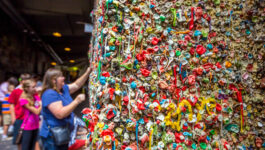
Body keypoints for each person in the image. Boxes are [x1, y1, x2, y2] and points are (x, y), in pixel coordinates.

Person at [40, 67, 92, 150]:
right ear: (54, 80)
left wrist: (88, 72)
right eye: (61, 76)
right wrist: (76, 101)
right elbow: (60, 114)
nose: (63, 78)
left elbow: (76, 85)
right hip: (53, 136)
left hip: (64, 132)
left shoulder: (63, 89)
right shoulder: (49, 94)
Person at [8, 73, 31, 150]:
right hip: (19, 119)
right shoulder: (16, 91)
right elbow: (11, 104)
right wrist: (13, 117)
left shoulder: (31, 91)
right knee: (19, 140)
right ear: (22, 81)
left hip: (30, 119)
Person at [19, 79, 41, 150]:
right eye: (33, 87)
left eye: (35, 86)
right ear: (27, 88)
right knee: (26, 147)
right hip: (27, 127)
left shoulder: (36, 97)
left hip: (36, 126)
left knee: (33, 147)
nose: (35, 88)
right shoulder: (23, 100)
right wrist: (41, 104)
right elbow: (36, 111)